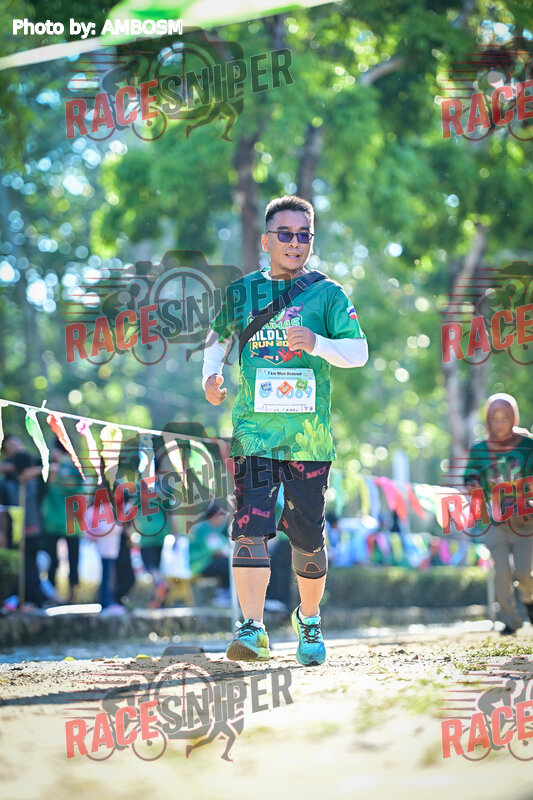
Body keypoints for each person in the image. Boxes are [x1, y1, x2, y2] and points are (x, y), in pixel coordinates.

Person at [203, 194, 368, 664]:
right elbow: (217, 340)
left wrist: (317, 342)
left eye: (303, 235)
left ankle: (309, 621)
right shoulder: (242, 293)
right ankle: (252, 628)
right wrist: (210, 378)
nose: (295, 243)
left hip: (308, 441)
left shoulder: (328, 294)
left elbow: (359, 353)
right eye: (285, 234)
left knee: (307, 537)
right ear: (266, 240)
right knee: (249, 527)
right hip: (254, 435)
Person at [463, 393, 533, 635]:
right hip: (494, 520)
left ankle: (529, 598)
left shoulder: (527, 446)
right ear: (488, 421)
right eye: (495, 418)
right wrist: (472, 483)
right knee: (501, 572)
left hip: (525, 521)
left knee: (523, 573)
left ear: (513, 418)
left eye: (505, 418)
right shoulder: (479, 449)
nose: (500, 423)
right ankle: (511, 620)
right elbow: (469, 475)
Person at [40, 439, 84, 603]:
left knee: (55, 559)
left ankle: (57, 595)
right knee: (70, 558)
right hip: (67, 521)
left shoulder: (57, 465)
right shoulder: (72, 466)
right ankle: (67, 595)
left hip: (59, 520)